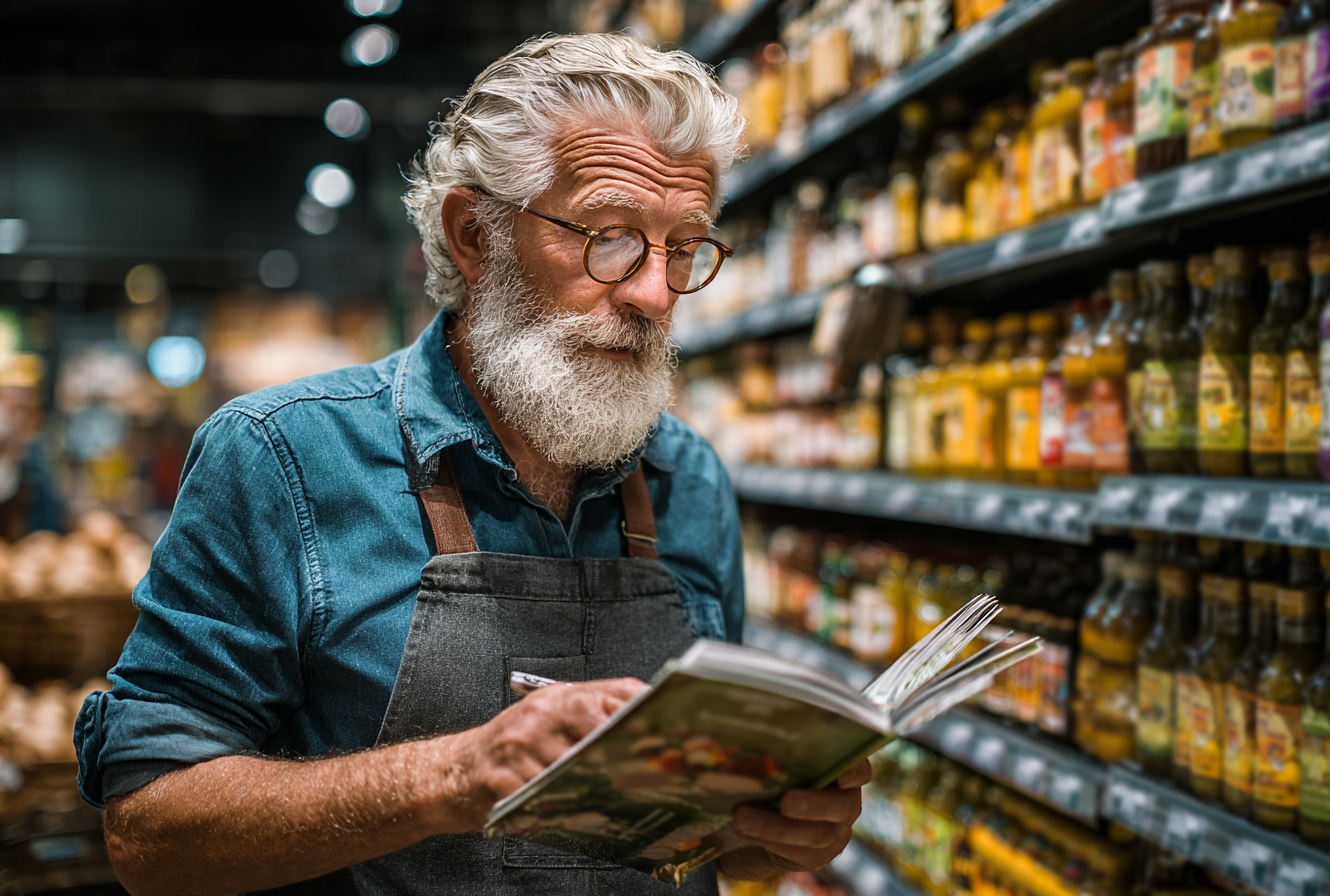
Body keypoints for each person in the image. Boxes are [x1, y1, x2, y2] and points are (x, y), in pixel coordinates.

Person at [75, 32, 868, 895]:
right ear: (474, 235)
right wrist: (450, 779)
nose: (653, 294)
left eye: (683, 248)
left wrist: (771, 835)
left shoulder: (691, 481)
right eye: (610, 236)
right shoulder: (281, 457)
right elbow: (150, 830)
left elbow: (696, 840)